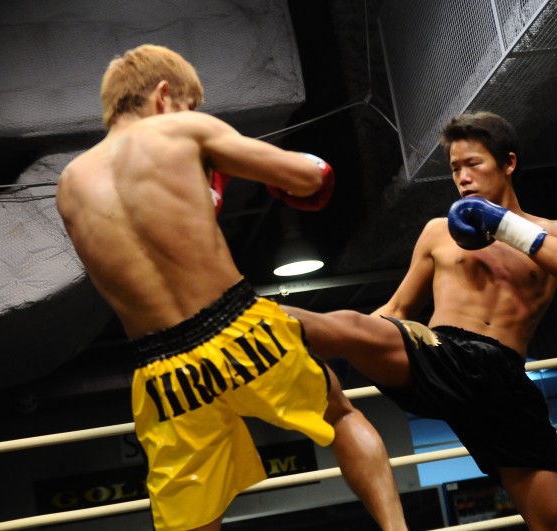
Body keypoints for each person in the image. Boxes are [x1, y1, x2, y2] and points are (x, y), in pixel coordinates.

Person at [55, 44, 406, 531]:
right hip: (239, 326)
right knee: (339, 415)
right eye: (187, 104)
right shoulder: (180, 129)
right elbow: (309, 176)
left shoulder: (69, 184)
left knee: (194, 515)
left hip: (163, 370)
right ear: (163, 95)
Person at [282, 111, 557, 531]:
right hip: (441, 354)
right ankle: (254, 320)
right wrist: (357, 343)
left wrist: (502, 225)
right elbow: (397, 309)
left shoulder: (555, 231)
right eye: (455, 168)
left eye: (473, 164)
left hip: (504, 379)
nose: (462, 178)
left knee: (553, 522)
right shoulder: (438, 232)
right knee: (349, 325)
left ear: (508, 163)